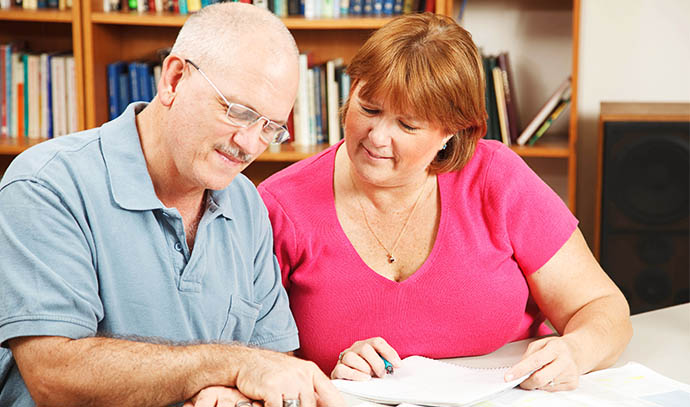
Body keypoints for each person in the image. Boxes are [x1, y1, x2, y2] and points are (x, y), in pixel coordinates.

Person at [258, 12, 632, 392]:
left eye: (408, 125)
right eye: (368, 108)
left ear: (451, 132)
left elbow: (603, 308)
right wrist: (322, 373)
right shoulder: (278, 205)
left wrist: (575, 351)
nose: (377, 136)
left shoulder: (495, 178)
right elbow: (255, 361)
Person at [0, 3, 343, 407]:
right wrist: (227, 367)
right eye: (239, 112)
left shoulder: (247, 200)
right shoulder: (47, 184)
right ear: (175, 79)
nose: (250, 145)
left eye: (271, 127)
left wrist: (229, 387)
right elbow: (55, 375)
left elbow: (271, 360)